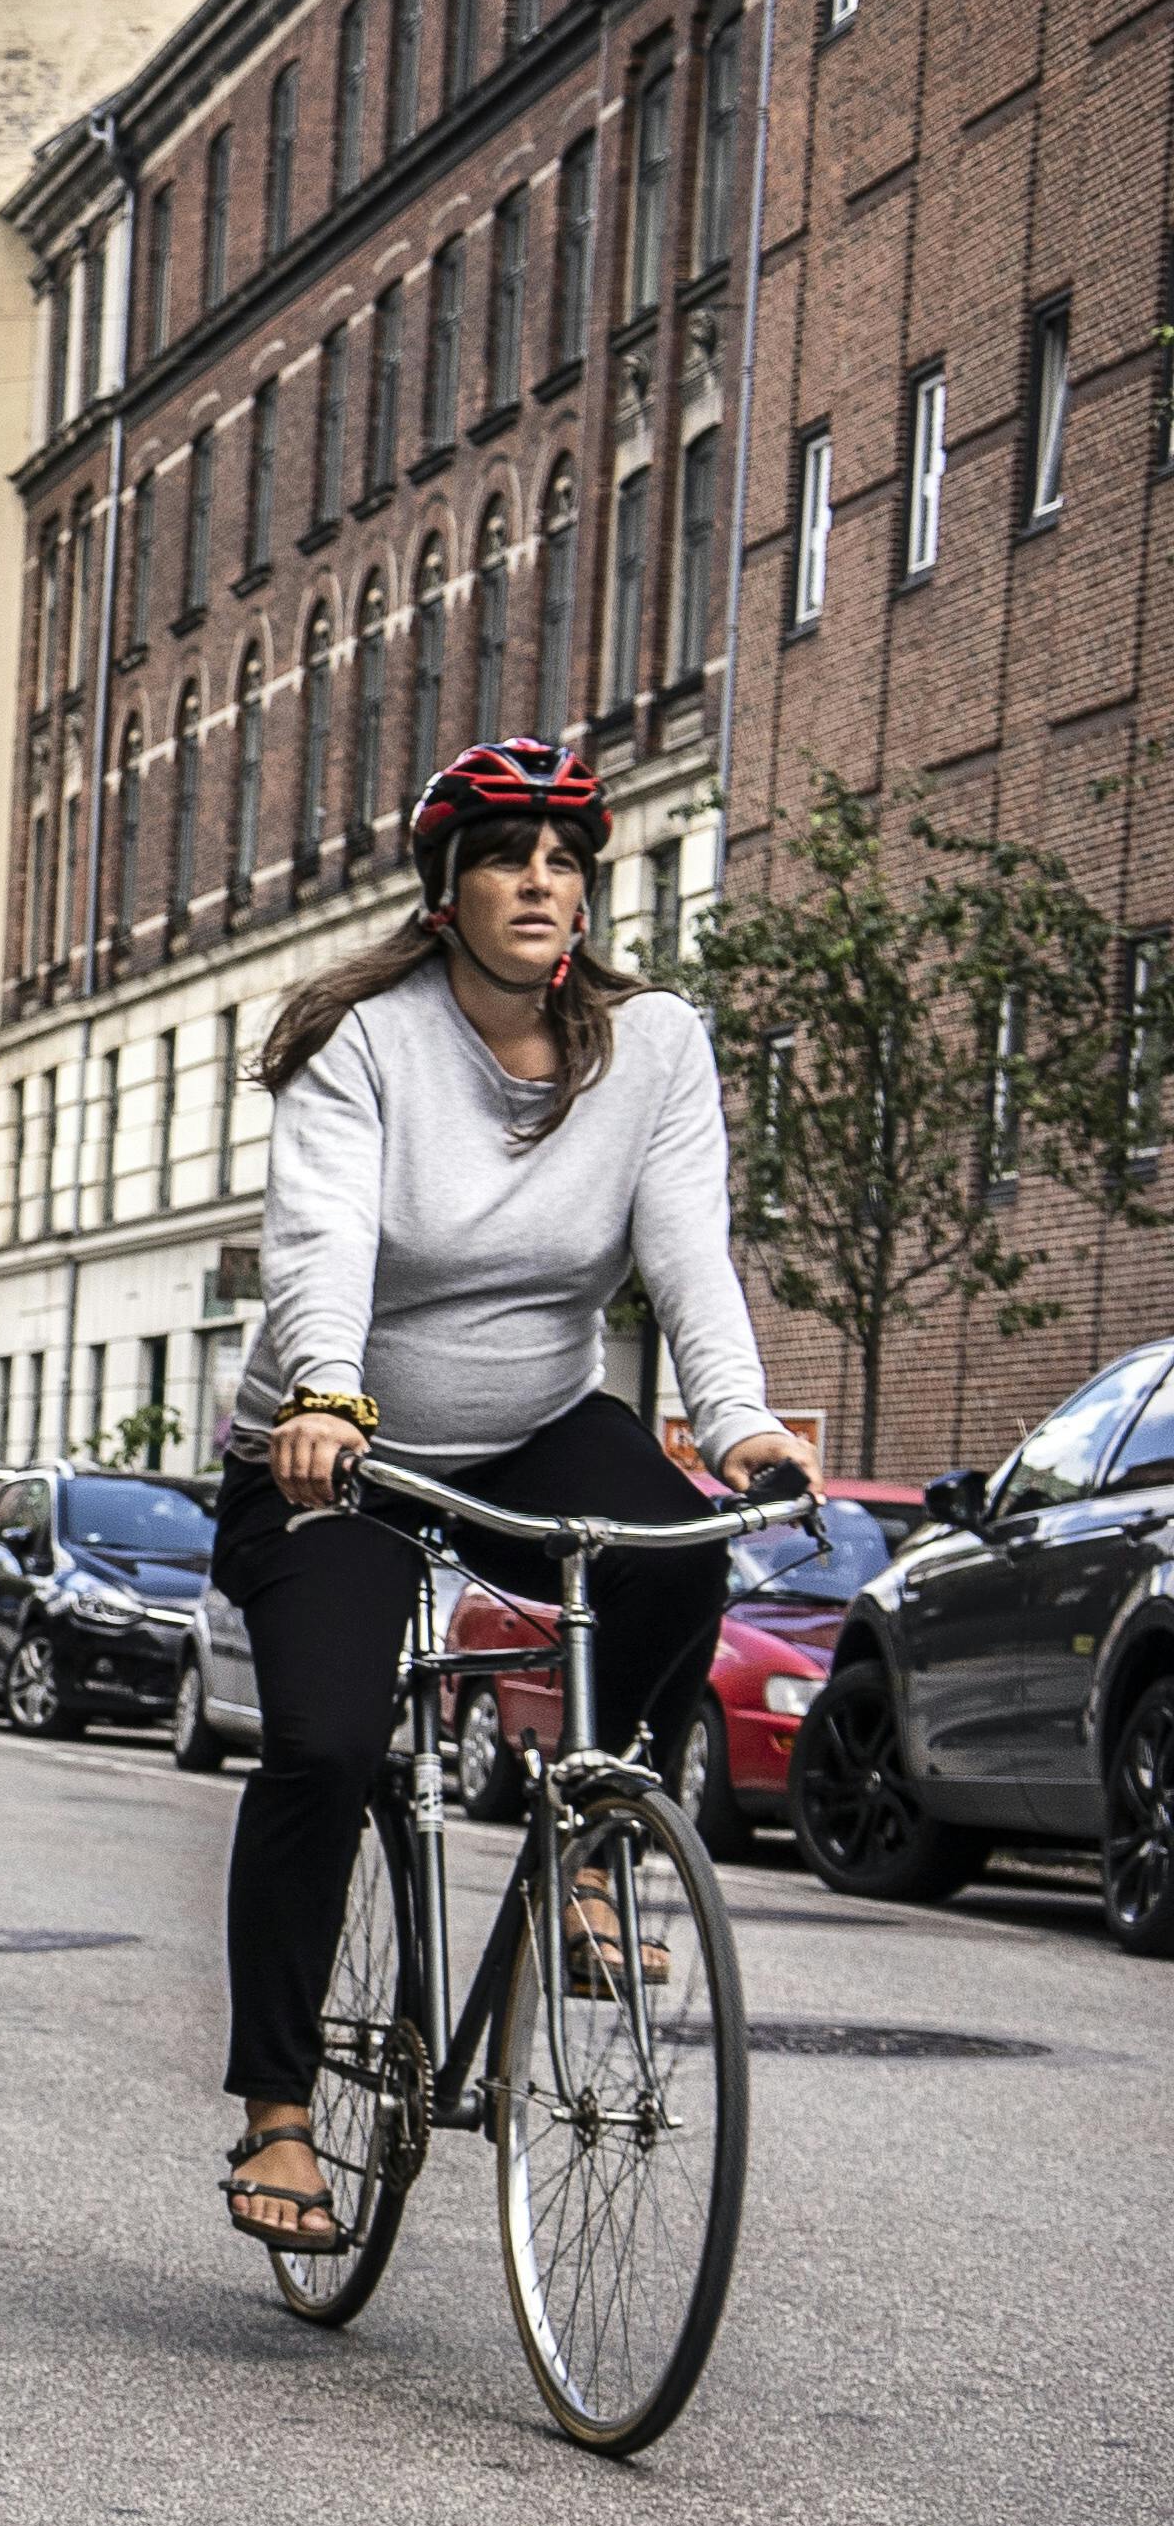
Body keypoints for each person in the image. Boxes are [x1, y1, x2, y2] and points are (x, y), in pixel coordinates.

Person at [209, 740, 808, 2251]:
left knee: (678, 1556)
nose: (540, 879)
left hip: (533, 1420)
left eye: (565, 856)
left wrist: (737, 1430)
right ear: (447, 887)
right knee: (328, 1745)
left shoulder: (655, 1046)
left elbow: (686, 1254)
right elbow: (322, 1233)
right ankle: (280, 2108)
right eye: (505, 854)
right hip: (338, 1446)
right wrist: (326, 1392)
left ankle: (593, 1854)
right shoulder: (366, 1041)